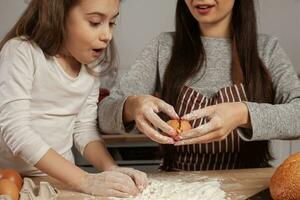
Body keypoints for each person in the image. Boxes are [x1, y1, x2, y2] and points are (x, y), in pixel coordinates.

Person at [98, 0, 300, 171]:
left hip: (250, 186)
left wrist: (243, 114)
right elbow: (104, 114)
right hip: (179, 187)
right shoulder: (163, 47)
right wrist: (132, 106)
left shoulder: (266, 50)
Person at [0, 0, 147, 197]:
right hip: (14, 181)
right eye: (95, 22)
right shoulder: (21, 52)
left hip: (60, 182)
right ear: (58, 16)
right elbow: (16, 131)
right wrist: (84, 180)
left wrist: (111, 168)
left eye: (112, 23)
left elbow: (84, 129)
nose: (107, 36)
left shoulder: (91, 68)